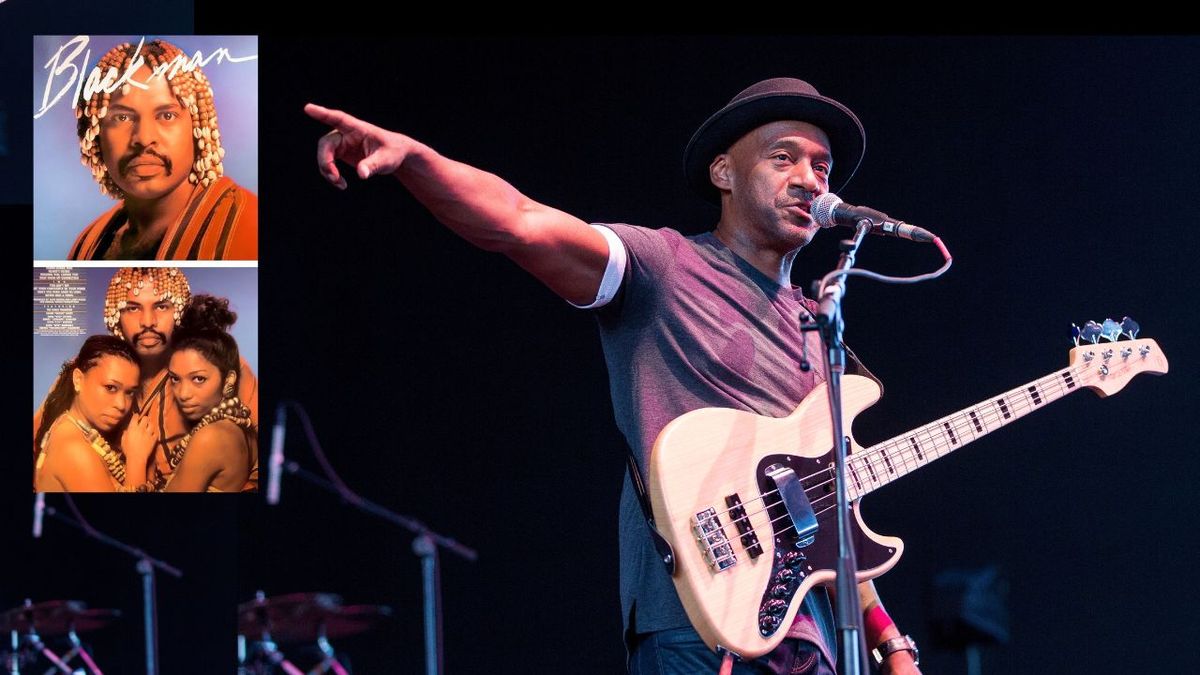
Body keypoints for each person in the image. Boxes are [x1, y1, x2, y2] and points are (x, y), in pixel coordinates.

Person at [304, 77, 921, 674]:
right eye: (784, 158)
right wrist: (416, 159)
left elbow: (826, 513)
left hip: (810, 644)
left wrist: (891, 644)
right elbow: (518, 221)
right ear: (724, 173)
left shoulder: (819, 327)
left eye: (822, 167)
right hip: (694, 633)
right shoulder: (667, 268)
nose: (809, 180)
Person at [33, 268, 259, 483]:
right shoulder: (88, 368)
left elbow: (255, 468)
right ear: (115, 316)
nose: (148, 322)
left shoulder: (214, 363)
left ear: (179, 310)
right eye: (132, 308)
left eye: (161, 306)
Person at [67, 38, 257, 260]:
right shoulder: (87, 245)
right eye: (122, 117)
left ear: (199, 127)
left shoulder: (249, 224)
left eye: (167, 115)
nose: (144, 138)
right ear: (94, 134)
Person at [156, 294, 257, 492]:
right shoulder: (240, 428)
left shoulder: (210, 438)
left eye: (198, 379)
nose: (183, 394)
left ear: (229, 379)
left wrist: (137, 461)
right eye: (175, 379)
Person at [34, 335, 156, 492]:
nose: (121, 405)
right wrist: (137, 459)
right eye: (110, 388)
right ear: (78, 380)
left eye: (129, 393)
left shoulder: (70, 427)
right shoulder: (74, 450)